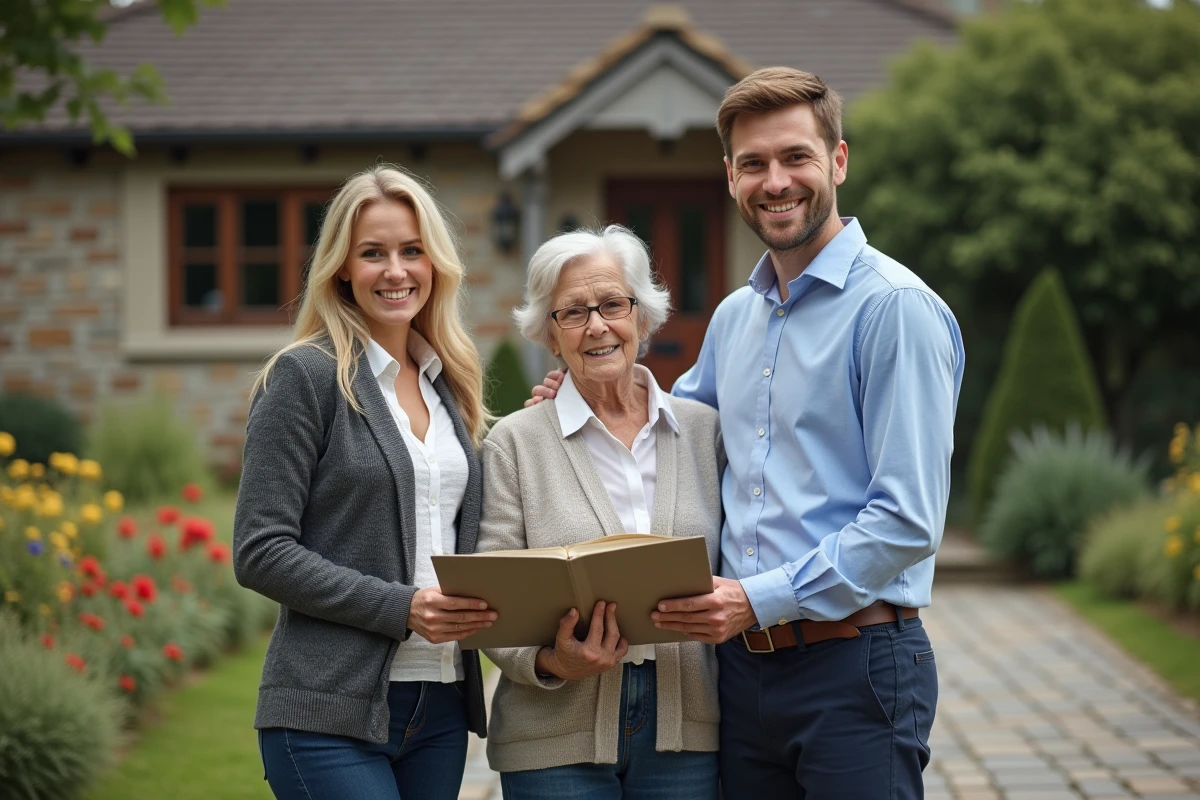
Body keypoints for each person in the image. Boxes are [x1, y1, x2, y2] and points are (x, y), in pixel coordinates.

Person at [531, 67, 965, 799]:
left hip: (855, 666)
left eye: (796, 157)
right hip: (738, 676)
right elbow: (670, 423)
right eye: (754, 164)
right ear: (730, 177)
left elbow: (906, 521)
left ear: (838, 161)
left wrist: (757, 600)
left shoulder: (894, 311)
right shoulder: (738, 317)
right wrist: (586, 385)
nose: (776, 182)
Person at [233, 165, 496, 800]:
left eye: (412, 251)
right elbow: (260, 550)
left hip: (438, 708)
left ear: (435, 264)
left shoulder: (449, 383)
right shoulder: (305, 377)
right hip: (325, 710)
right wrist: (401, 608)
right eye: (373, 253)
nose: (396, 271)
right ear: (342, 268)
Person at [478, 225, 723, 799]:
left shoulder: (703, 432)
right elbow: (490, 593)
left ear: (642, 316)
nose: (597, 326)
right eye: (573, 312)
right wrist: (549, 661)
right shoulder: (515, 443)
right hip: (553, 734)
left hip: (684, 732)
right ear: (549, 334)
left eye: (613, 304)